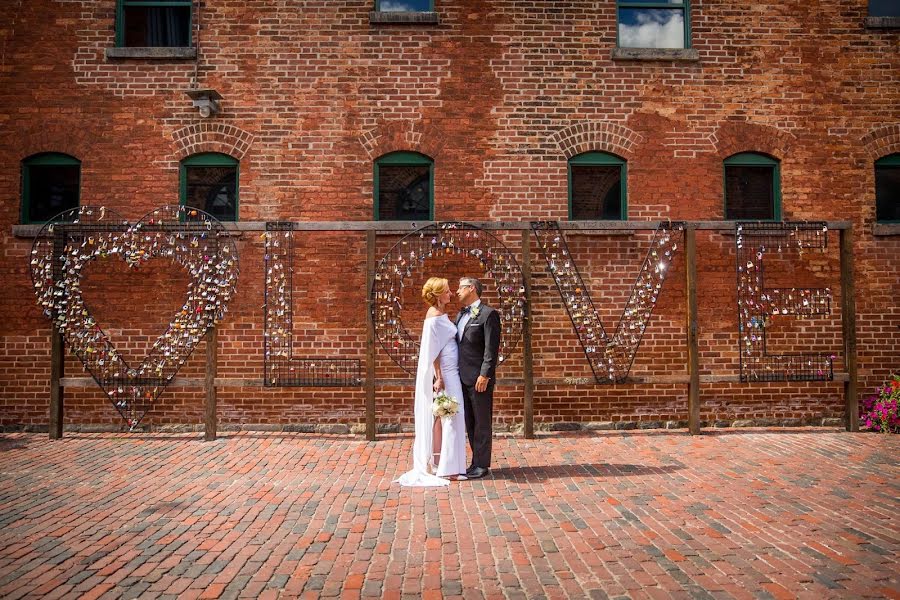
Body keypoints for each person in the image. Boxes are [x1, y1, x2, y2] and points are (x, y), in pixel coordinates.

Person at [395, 277, 468, 487]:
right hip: (448, 373)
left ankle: (443, 463)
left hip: (452, 371)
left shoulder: (440, 314)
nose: (451, 294)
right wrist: (440, 377)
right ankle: (449, 469)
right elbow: (433, 351)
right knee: (453, 417)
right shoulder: (434, 317)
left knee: (448, 418)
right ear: (437, 295)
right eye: (446, 291)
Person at [455, 277, 501, 479]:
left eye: (460, 287)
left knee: (482, 422)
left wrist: (485, 374)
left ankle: (482, 465)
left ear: (471, 288)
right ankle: (475, 461)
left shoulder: (488, 314)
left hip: (479, 378)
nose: (457, 291)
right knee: (470, 421)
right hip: (462, 377)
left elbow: (491, 349)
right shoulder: (460, 315)